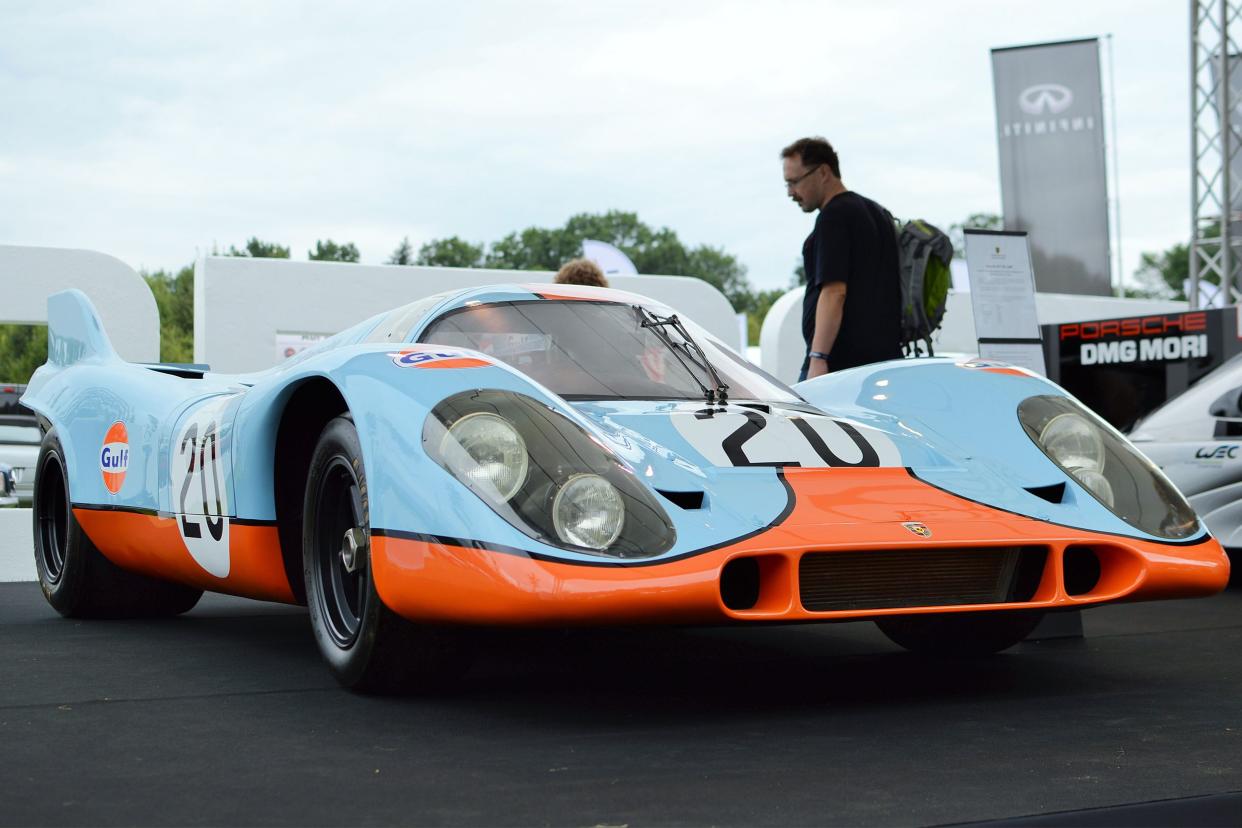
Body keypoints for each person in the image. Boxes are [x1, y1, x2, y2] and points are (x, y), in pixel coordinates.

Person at [781, 137, 901, 381]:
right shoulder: (879, 213)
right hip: (885, 361)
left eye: (795, 182)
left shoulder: (834, 216)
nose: (791, 193)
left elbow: (834, 292)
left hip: (840, 365)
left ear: (823, 172)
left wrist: (818, 357)